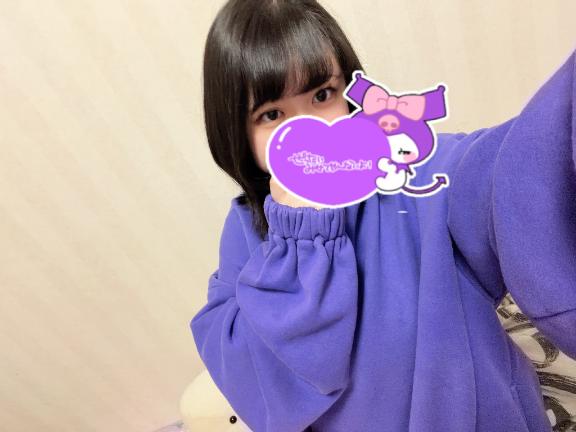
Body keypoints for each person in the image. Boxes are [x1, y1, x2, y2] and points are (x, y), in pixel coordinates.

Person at [190, 0, 576, 431]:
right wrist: (300, 238)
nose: (313, 132)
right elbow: (252, 368)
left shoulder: (416, 176)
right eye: (273, 115)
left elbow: (509, 165)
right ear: (236, 131)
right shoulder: (245, 228)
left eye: (322, 95)